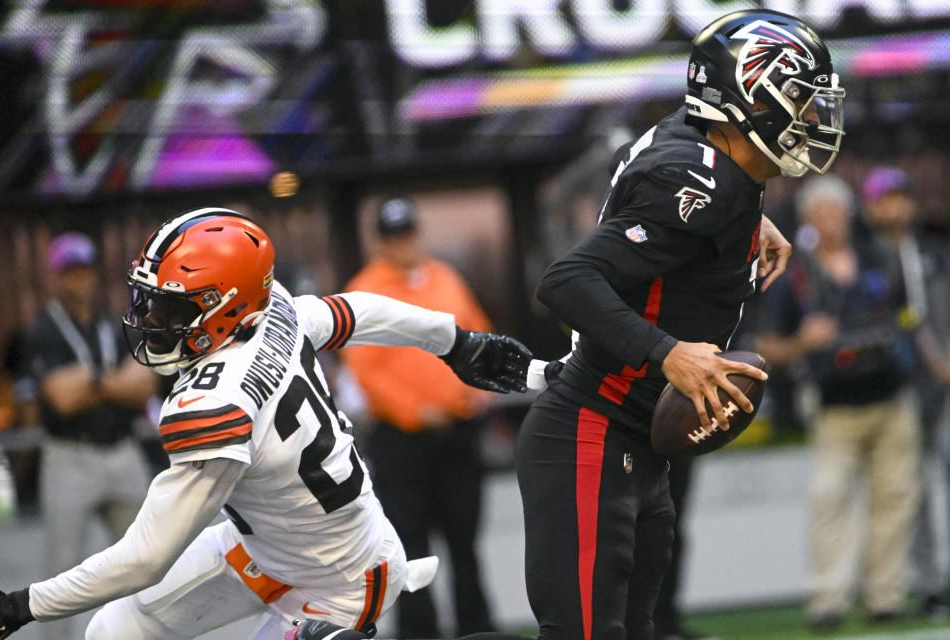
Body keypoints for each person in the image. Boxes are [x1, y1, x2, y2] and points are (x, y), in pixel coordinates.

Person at [455, 10, 840, 640]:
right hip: (589, 430)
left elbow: (666, 148)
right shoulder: (699, 183)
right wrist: (668, 354)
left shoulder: (710, 147)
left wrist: (743, 225)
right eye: (800, 100)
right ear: (750, 98)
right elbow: (565, 281)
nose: (814, 119)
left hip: (637, 443)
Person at [0, 209, 531, 640]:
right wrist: (458, 341)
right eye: (151, 304)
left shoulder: (215, 404)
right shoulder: (273, 310)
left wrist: (19, 605)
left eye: (170, 310)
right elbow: (356, 312)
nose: (152, 323)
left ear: (223, 309)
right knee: (114, 629)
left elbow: (143, 560)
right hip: (264, 545)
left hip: (339, 581)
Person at [756, 175, 920, 630]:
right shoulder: (796, 278)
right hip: (834, 405)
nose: (831, 220)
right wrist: (804, 342)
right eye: (821, 213)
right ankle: (827, 600)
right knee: (829, 501)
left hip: (891, 397)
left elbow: (908, 316)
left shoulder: (879, 259)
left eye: (837, 211)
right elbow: (769, 348)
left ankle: (884, 595)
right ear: (809, 220)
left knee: (895, 499)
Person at [340, 197, 496, 638]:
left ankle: (477, 630)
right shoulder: (364, 289)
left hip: (458, 434)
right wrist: (413, 409)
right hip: (403, 440)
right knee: (410, 545)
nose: (403, 244)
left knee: (465, 542)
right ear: (380, 242)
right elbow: (365, 370)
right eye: (393, 236)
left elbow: (476, 337)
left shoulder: (444, 277)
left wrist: (478, 388)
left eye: (407, 233)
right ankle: (419, 633)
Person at [20, 232, 160, 640]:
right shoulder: (43, 330)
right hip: (69, 458)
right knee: (63, 569)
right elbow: (61, 399)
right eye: (70, 273)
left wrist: (91, 381)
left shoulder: (112, 323)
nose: (79, 280)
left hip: (122, 452)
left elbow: (145, 386)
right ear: (55, 278)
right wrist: (114, 380)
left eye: (85, 271)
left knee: (146, 557)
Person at [859, 166, 950, 617]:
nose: (894, 206)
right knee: (912, 489)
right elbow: (899, 320)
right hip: (899, 387)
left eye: (900, 197)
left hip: (945, 386)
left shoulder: (934, 250)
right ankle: (929, 581)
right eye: (883, 198)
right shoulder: (867, 259)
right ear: (870, 206)